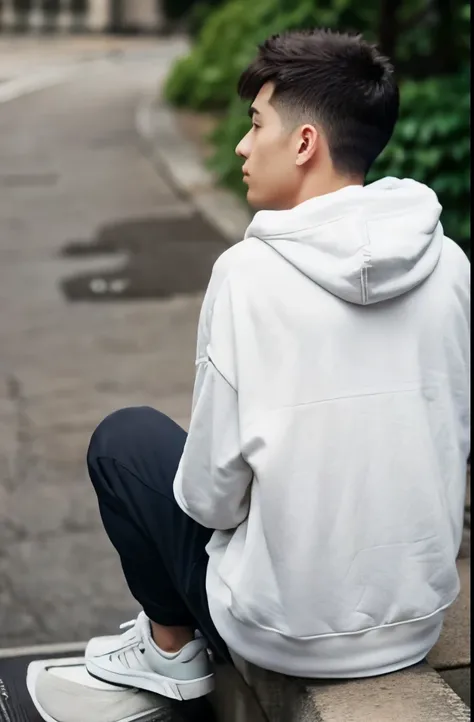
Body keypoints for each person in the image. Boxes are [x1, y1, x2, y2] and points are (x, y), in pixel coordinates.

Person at [84, 28, 470, 700]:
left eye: (256, 123)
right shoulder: (451, 264)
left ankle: (168, 647)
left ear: (303, 143)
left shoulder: (247, 276)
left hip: (282, 633)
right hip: (417, 620)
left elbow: (210, 498)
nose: (240, 143)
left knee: (124, 440)